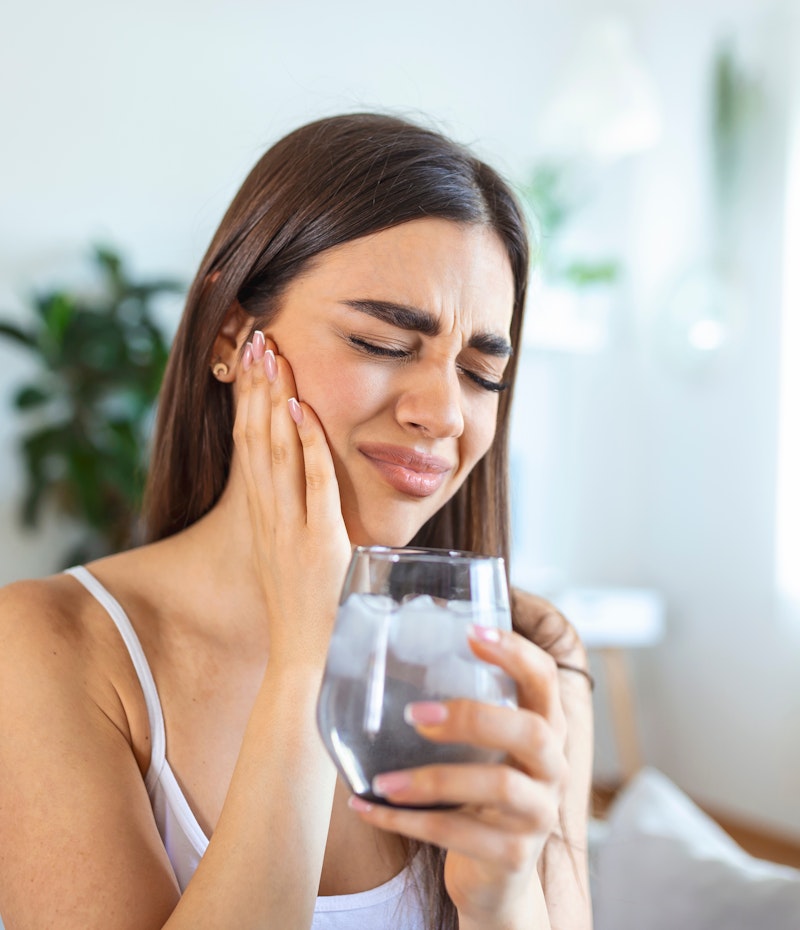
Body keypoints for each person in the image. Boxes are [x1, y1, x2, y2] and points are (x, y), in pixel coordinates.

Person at [0, 112, 594, 929]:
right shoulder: (48, 647)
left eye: (481, 371)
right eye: (382, 341)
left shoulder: (531, 660)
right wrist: (308, 658)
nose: (443, 413)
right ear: (232, 332)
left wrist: (501, 901)